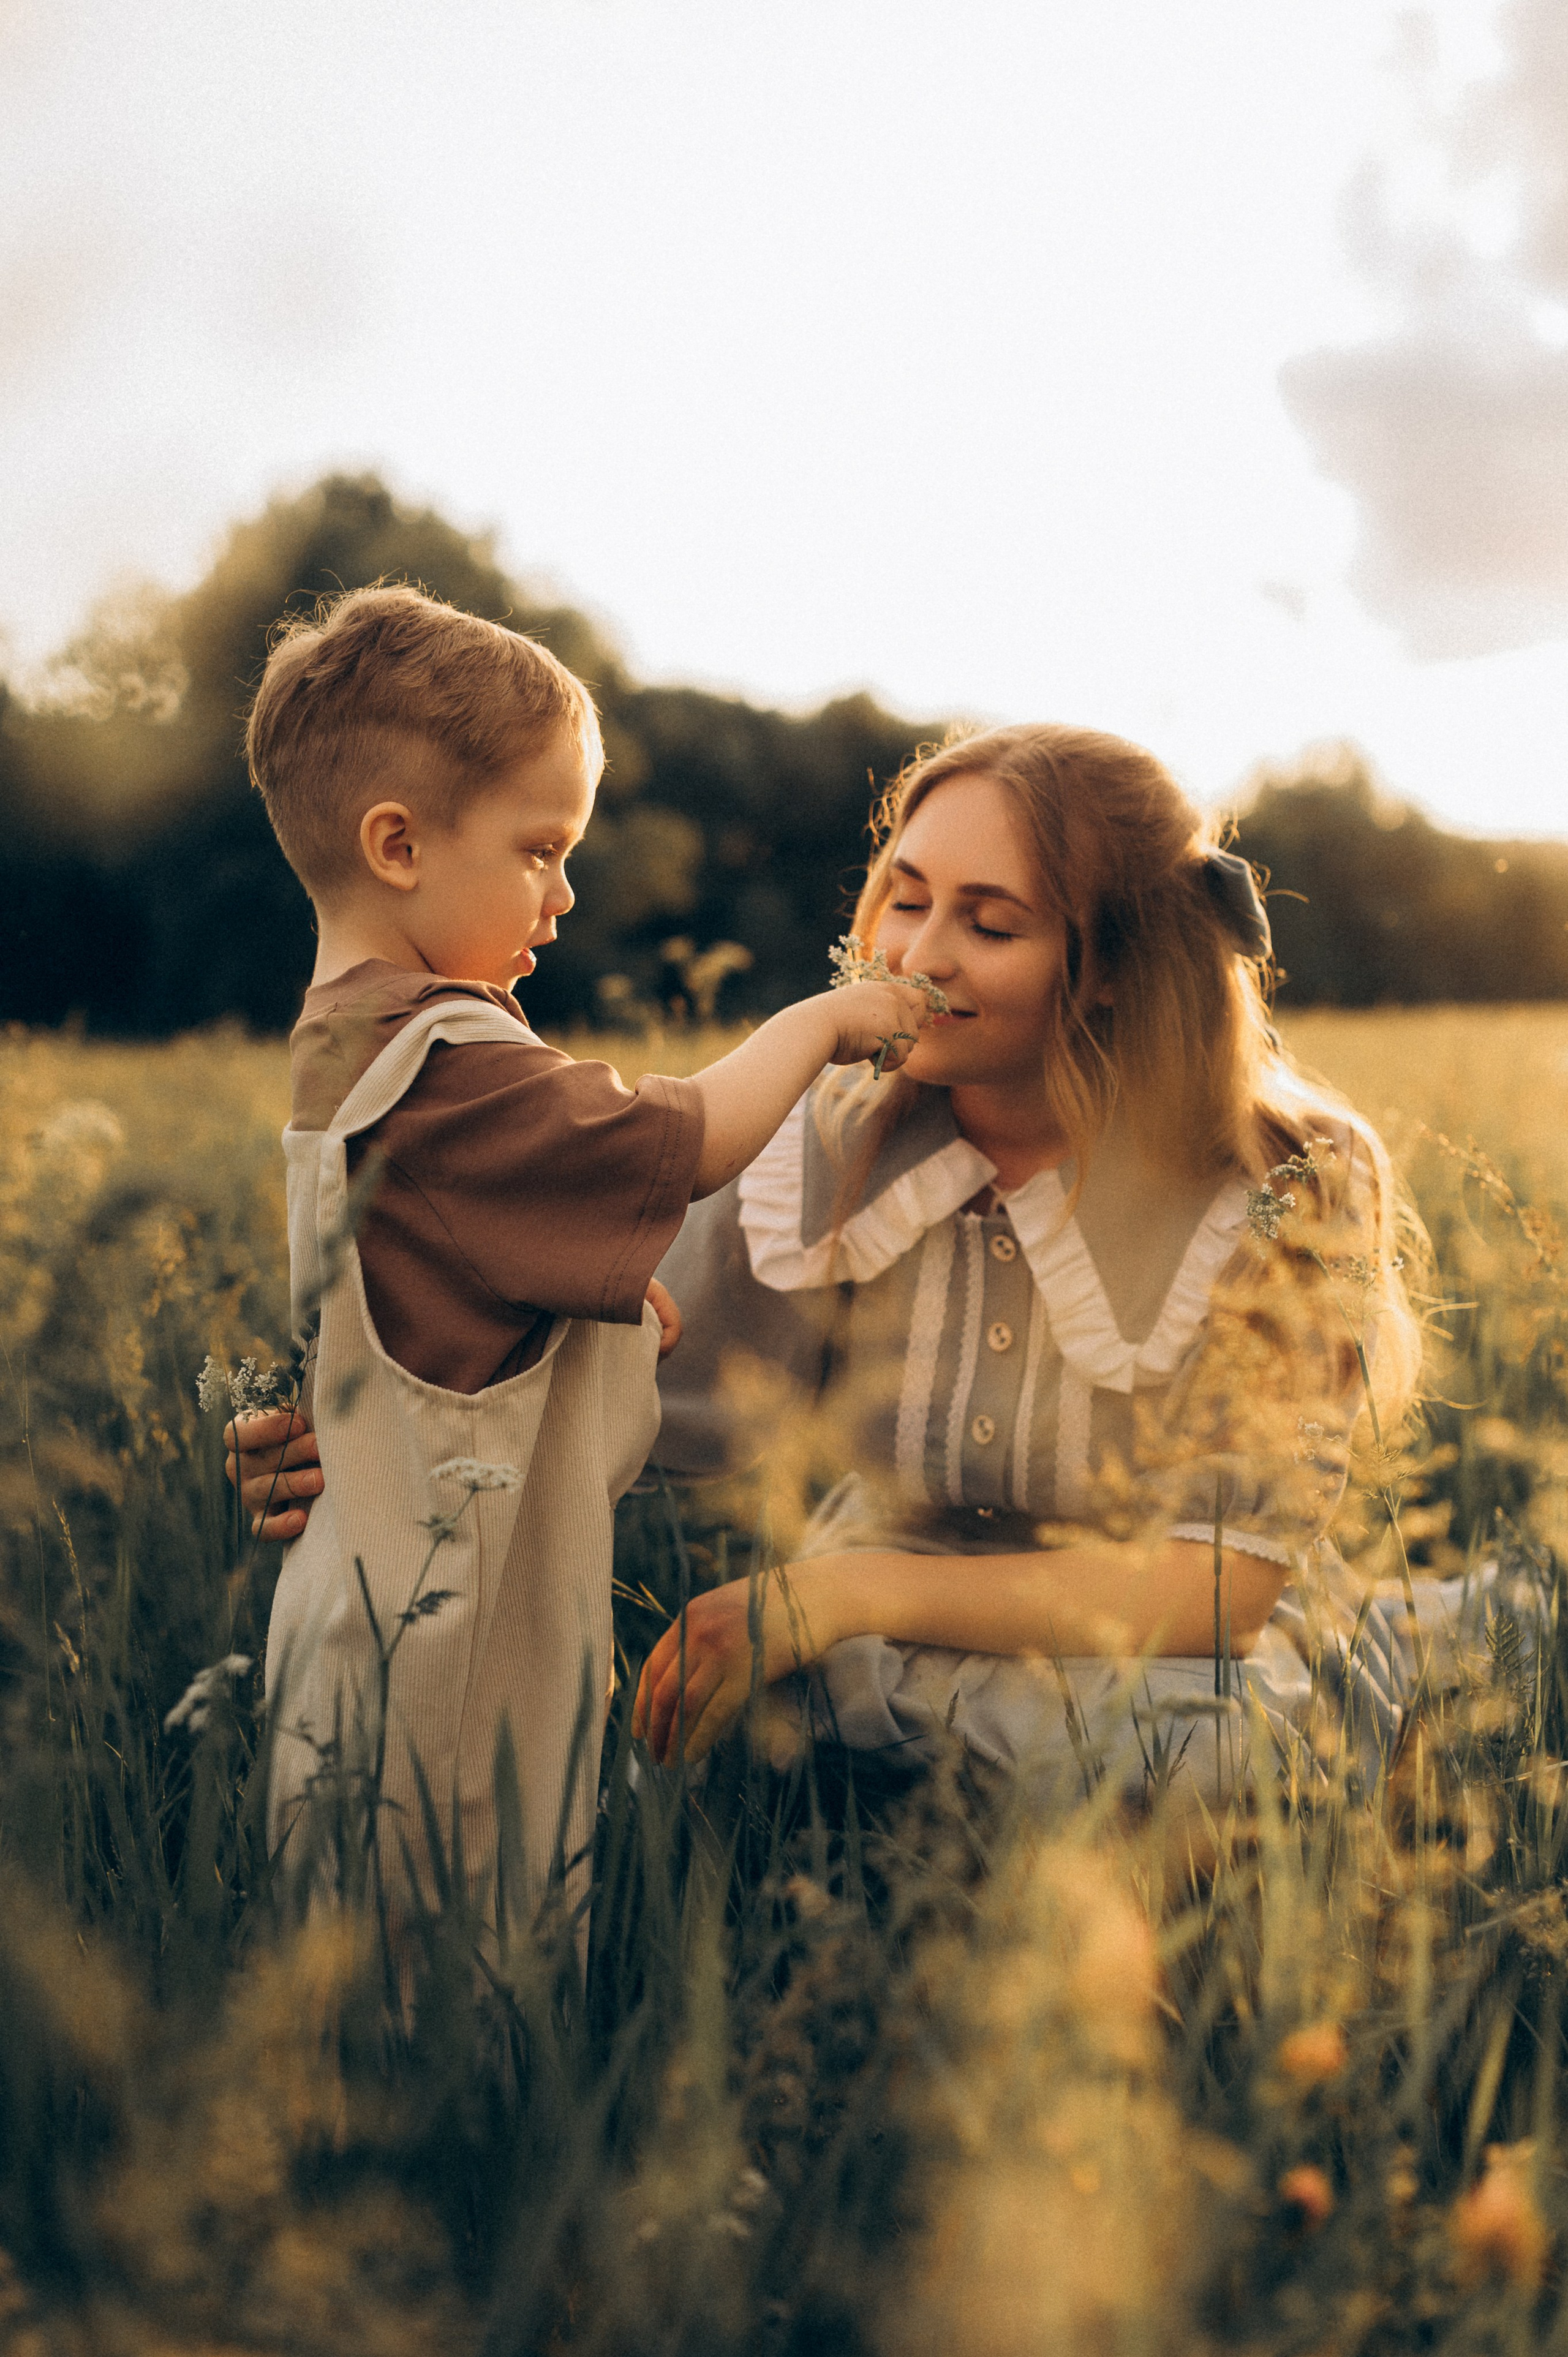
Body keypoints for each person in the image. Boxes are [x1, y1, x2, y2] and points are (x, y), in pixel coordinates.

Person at [236, 719, 1441, 1833]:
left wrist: (837, 1592)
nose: (913, 954)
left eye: (988, 922)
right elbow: (614, 1367)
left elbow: (1217, 1592)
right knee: (722, 1758)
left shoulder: (1286, 1178)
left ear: (1115, 964)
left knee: (1208, 1777)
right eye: (904, 900)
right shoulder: (830, 1137)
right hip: (865, 1645)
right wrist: (366, 1424)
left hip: (1152, 1660)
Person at [242, 583, 930, 1948]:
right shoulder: (460, 1067)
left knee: (356, 1964)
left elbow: (428, 1293)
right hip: (458, 1636)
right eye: (540, 848)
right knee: (469, 1945)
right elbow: (698, 1139)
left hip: (358, 1604)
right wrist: (829, 1018)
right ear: (397, 844)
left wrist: (588, 1319)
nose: (563, 892)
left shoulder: (342, 1048)